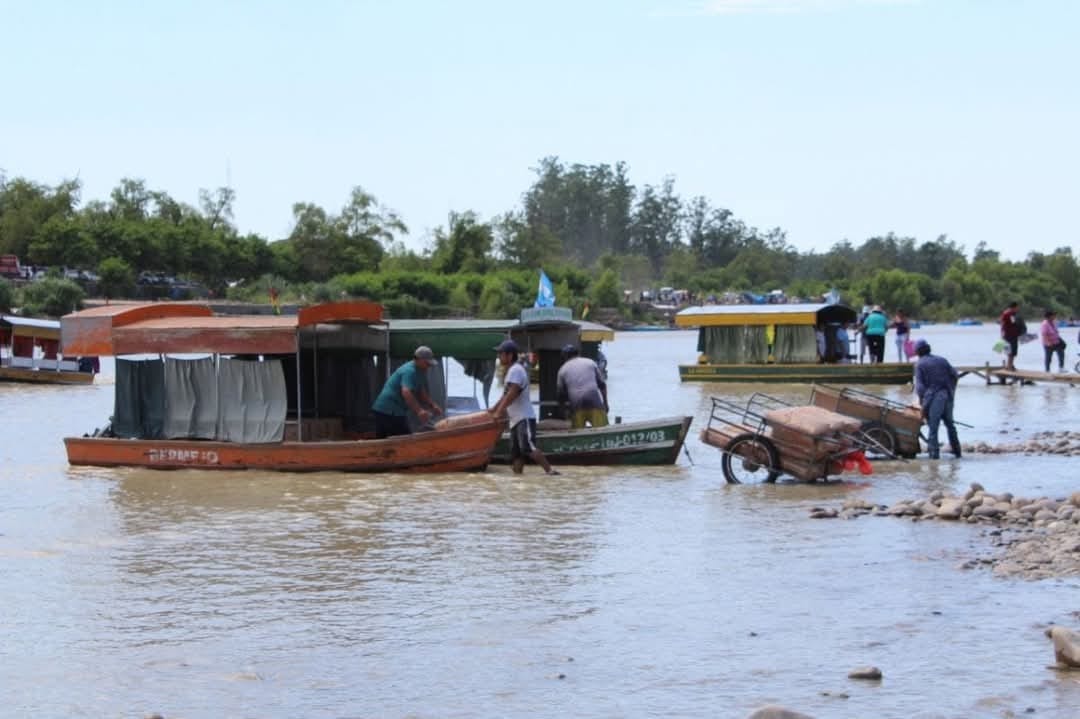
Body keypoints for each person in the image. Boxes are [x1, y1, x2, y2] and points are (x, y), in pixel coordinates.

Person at [488, 339, 559, 475]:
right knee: (516, 454)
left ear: (509, 355)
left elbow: (512, 394)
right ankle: (518, 478)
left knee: (528, 448)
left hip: (524, 418)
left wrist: (499, 412)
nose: (499, 357)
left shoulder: (516, 370)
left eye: (501, 354)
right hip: (516, 420)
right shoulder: (511, 371)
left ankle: (550, 471)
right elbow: (505, 395)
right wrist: (494, 408)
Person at [371, 345, 443, 438]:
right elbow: (406, 392)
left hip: (396, 410)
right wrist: (419, 411)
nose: (428, 366)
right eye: (427, 363)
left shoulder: (421, 371)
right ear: (419, 359)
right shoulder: (410, 371)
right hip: (387, 409)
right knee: (401, 439)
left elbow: (421, 392)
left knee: (397, 439)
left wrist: (433, 405)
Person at [913, 339, 961, 460]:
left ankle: (934, 456)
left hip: (934, 398)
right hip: (947, 396)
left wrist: (922, 404)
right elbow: (955, 375)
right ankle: (957, 452)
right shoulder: (942, 360)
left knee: (933, 427)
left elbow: (920, 388)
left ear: (917, 352)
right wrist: (951, 391)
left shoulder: (920, 364)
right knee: (950, 425)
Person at [556, 344, 609, 428]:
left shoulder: (562, 370)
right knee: (603, 430)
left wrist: (563, 411)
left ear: (564, 357)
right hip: (594, 402)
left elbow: (560, 394)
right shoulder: (590, 362)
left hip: (577, 405)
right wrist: (605, 403)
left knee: (577, 434)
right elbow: (602, 385)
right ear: (578, 353)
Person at [999, 301, 1024, 371]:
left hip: (1006, 334)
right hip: (1010, 335)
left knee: (1009, 351)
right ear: (1014, 307)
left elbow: (1002, 323)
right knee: (1012, 351)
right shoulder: (1009, 314)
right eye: (1017, 307)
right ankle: (1010, 366)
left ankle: (1009, 365)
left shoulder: (1005, 313)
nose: (1017, 309)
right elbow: (1013, 323)